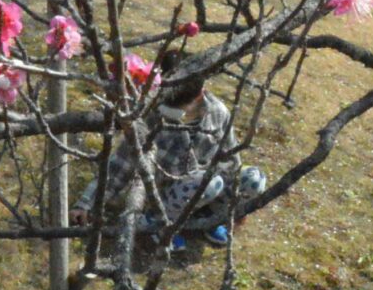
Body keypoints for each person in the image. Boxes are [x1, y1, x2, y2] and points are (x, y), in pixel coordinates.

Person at [79, 54, 269, 253]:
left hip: (209, 187)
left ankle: (210, 219)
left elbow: (231, 159)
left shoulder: (218, 113)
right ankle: (162, 224)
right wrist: (87, 202)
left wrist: (236, 204)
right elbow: (120, 165)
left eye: (178, 109)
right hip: (172, 194)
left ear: (200, 93)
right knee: (209, 182)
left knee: (253, 179)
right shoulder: (150, 117)